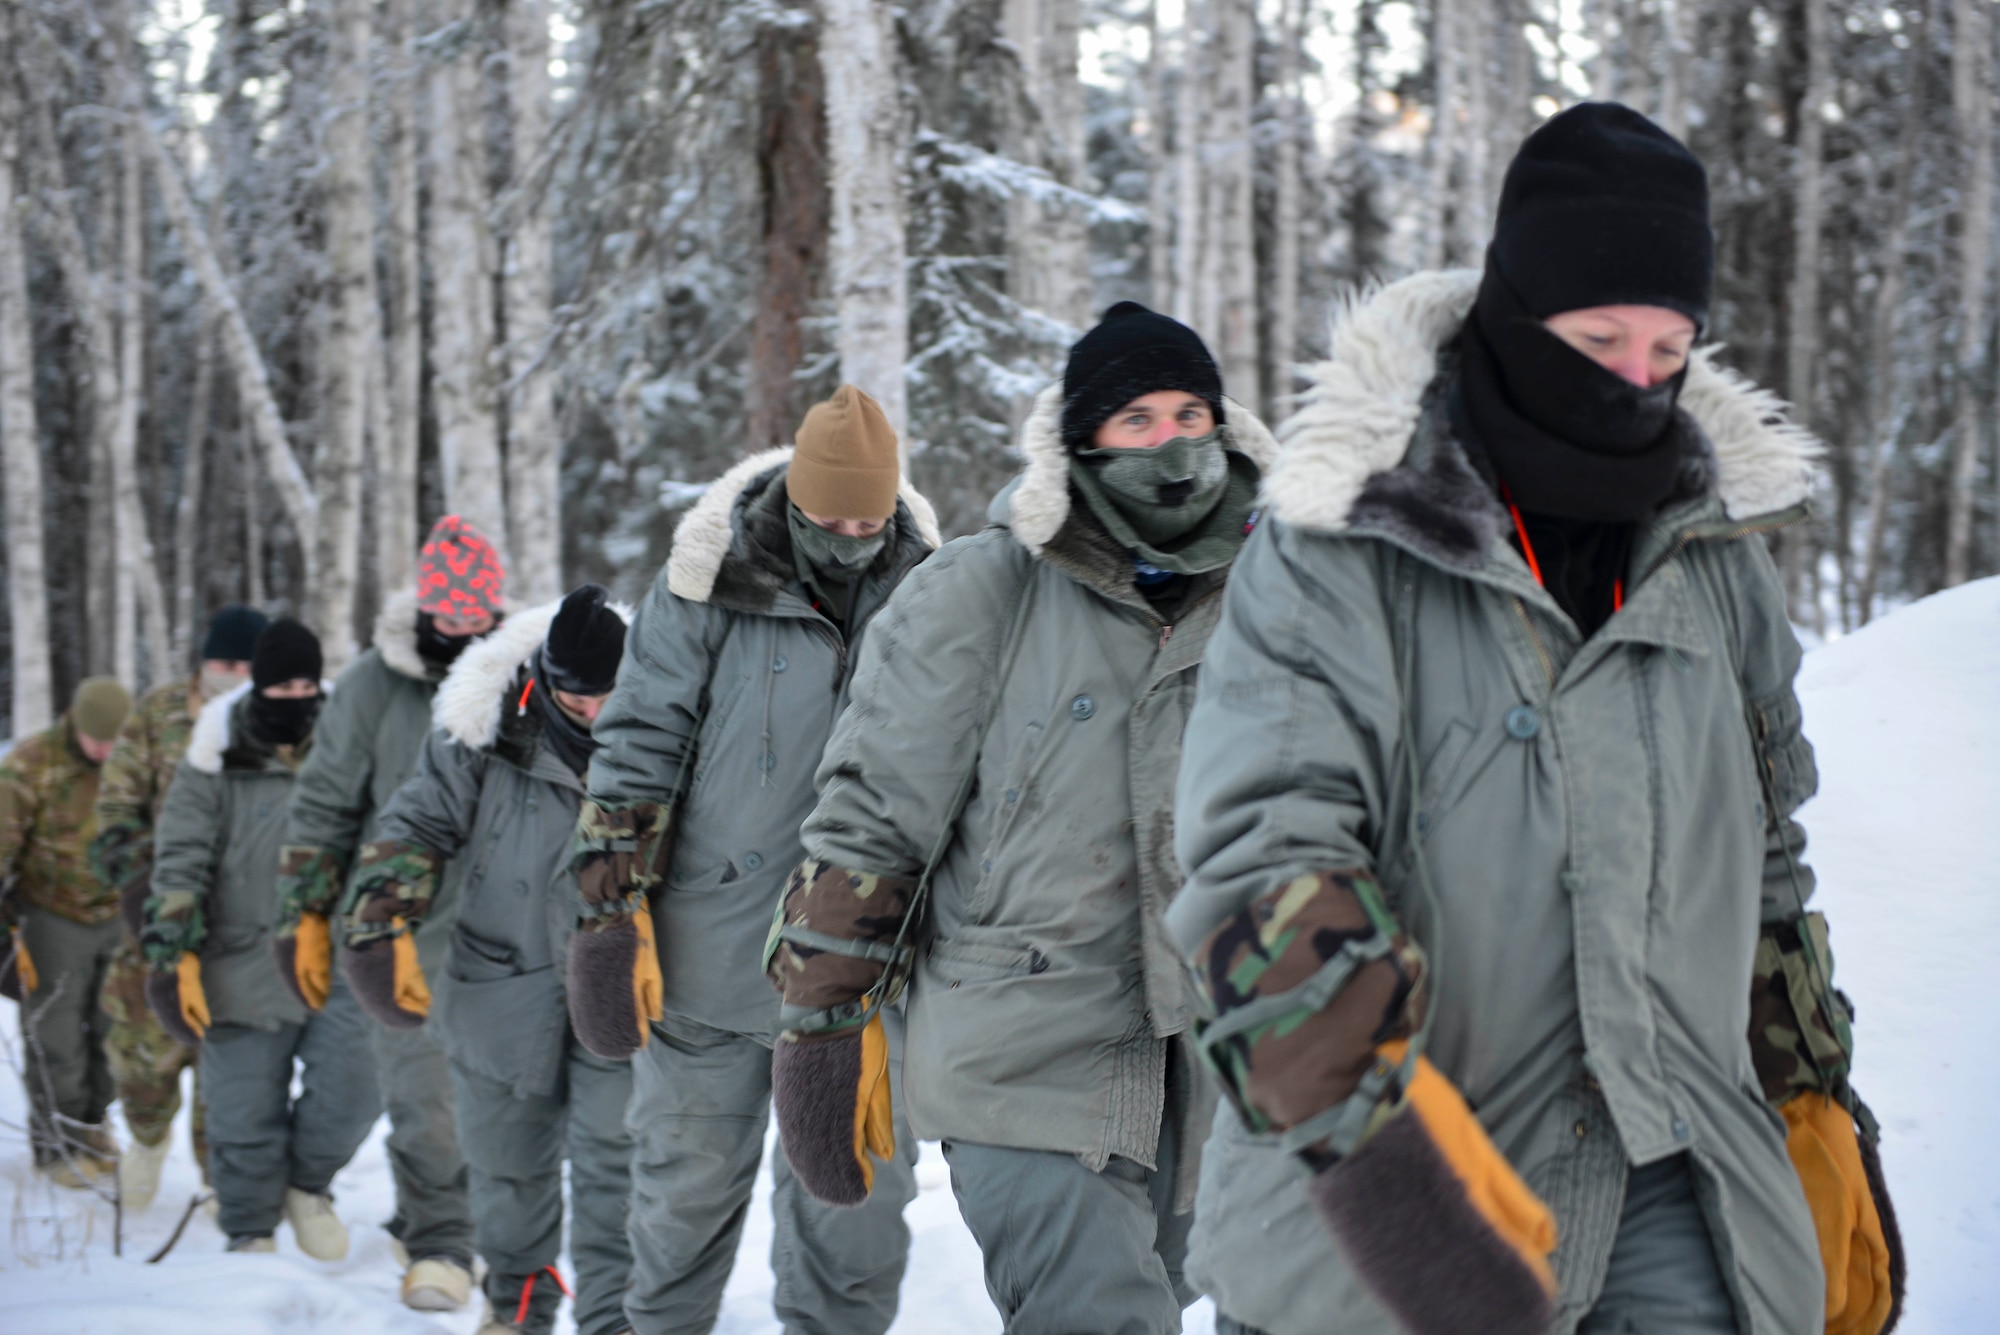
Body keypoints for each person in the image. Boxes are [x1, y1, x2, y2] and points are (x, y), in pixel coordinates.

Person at [1168, 103, 1901, 1335]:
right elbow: (1258, 855)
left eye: (1669, 347)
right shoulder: (1345, 544)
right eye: (1599, 334)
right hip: (1398, 1192)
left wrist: (1811, 1102)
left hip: (1678, 1173)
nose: (1634, 377)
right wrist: (1383, 1166)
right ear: (1516, 314)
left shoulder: (1711, 554)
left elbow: (1766, 858)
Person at [766, 312, 1276, 1335]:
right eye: (1135, 418)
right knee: (1095, 1314)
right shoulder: (978, 592)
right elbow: (871, 817)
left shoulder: (1289, 591)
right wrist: (820, 1024)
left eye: (1190, 414)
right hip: (1020, 1041)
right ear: (1080, 440)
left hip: (1227, 1047)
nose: (1171, 443)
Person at [565, 385, 937, 1335]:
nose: (852, 535)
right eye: (829, 516)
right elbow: (637, 747)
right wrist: (612, 917)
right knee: (679, 1208)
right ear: (794, 501)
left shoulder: (935, 595)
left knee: (852, 1220)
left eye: (870, 516)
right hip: (709, 965)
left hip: (862, 974)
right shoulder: (708, 588)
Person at [343, 584, 634, 1335]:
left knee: (620, 1172)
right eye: (578, 699)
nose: (595, 713)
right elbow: (417, 818)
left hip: (627, 987)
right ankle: (519, 1308)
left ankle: (616, 1321)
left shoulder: (668, 723)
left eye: (609, 696)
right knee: (507, 1170)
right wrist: (379, 921)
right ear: (545, 677)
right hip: (502, 980)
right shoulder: (479, 729)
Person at [273, 515, 503, 1309]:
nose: (467, 629)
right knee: (421, 1088)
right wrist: (304, 910)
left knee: (505, 1093)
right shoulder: (374, 685)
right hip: (400, 923)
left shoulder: (527, 668)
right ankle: (442, 1240)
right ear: (427, 609)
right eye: (452, 616)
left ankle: (478, 1222)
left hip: (508, 922)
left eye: (480, 615)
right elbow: (326, 804)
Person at [141, 620, 379, 1256]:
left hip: (337, 954)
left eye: (306, 683)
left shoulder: (351, 740)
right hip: (241, 955)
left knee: (357, 1088)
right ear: (259, 687)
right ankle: (249, 1228)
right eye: (281, 685)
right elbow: (181, 856)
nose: (295, 695)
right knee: (241, 1108)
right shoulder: (214, 754)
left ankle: (307, 1185)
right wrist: (173, 953)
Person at [89, 603, 269, 1208]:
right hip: (159, 911)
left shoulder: (282, 717)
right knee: (143, 1046)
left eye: (247, 663)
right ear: (203, 663)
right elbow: (115, 807)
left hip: (244, 923)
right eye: (223, 662)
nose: (234, 673)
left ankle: (224, 1176)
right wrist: (142, 887)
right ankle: (146, 1137)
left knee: (230, 1053)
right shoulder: (161, 713)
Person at [1, 675, 132, 1186]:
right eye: (96, 740)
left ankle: (92, 1124)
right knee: (56, 1035)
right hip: (52, 915)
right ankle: (56, 1145)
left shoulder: (134, 762)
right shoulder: (30, 766)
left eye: (114, 741)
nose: (104, 751)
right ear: (74, 724)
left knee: (113, 1031)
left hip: (118, 913)